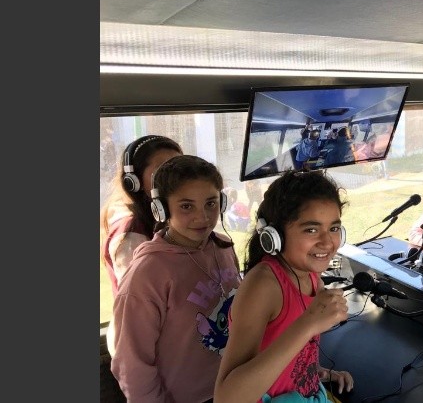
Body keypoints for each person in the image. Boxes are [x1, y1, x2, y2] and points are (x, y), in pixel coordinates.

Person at [215, 170, 354, 403]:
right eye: (311, 230)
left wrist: (316, 372)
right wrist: (308, 324)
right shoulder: (263, 286)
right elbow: (227, 398)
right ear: (275, 236)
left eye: (333, 228)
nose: (327, 242)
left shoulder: (312, 277)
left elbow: (292, 351)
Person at [111, 155, 242, 403]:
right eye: (186, 206)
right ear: (161, 209)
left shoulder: (223, 247)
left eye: (211, 203)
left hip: (233, 386)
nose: (203, 217)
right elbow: (131, 362)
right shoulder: (148, 273)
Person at [101, 135, 183, 297]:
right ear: (134, 180)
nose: (175, 178)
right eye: (162, 170)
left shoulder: (163, 213)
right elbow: (140, 298)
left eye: (180, 169)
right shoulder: (131, 234)